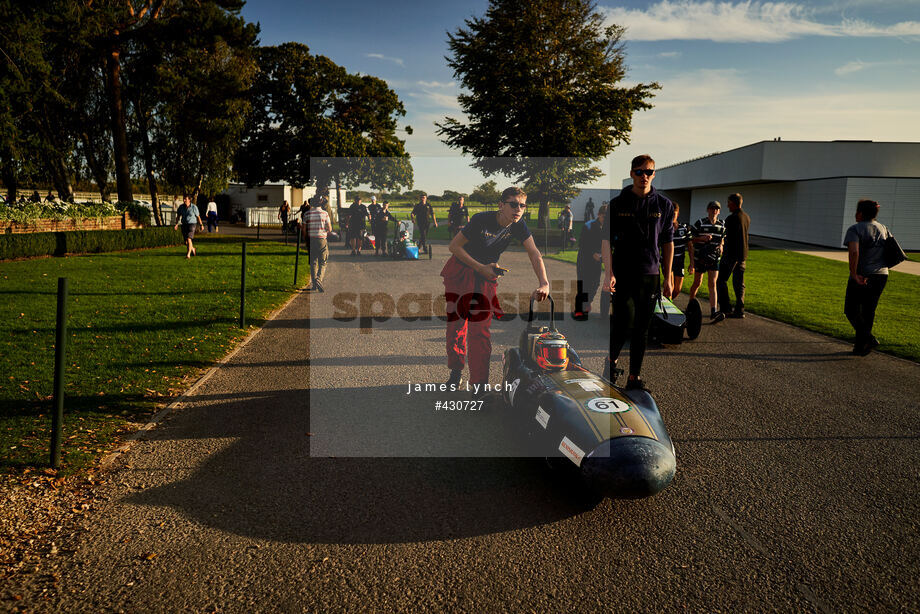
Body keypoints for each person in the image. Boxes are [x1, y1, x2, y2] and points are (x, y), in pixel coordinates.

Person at [442, 187, 549, 397]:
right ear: (501, 205)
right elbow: (454, 247)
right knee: (456, 326)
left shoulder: (519, 225)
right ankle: (456, 370)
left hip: (485, 275)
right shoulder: (482, 219)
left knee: (480, 330)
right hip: (461, 271)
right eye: (513, 204)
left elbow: (535, 254)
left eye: (522, 205)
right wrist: (478, 266)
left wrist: (544, 282)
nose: (518, 209)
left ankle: (479, 386)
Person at [601, 154, 674, 390]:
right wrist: (609, 272)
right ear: (632, 173)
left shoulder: (664, 205)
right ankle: (610, 365)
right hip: (623, 273)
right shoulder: (617, 203)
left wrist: (668, 276)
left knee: (643, 327)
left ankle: (634, 377)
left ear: (654, 174)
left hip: (650, 275)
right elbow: (605, 241)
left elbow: (667, 242)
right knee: (624, 323)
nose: (645, 176)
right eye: (640, 171)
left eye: (649, 172)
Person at [844, 199, 891, 356]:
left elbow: (854, 252)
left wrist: (854, 273)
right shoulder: (883, 228)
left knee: (851, 309)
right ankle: (862, 346)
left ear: (859, 213)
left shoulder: (855, 229)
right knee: (869, 310)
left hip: (862, 274)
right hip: (881, 275)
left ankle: (866, 340)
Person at [688, 201, 726, 323]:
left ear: (719, 211)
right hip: (701, 257)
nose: (714, 211)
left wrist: (721, 246)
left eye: (717, 209)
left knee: (712, 283)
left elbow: (723, 239)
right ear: (707, 210)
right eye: (712, 208)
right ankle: (690, 304)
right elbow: (690, 239)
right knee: (697, 283)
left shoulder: (722, 224)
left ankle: (713, 311)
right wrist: (701, 238)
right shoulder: (700, 223)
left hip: (714, 258)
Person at [717, 193, 750, 318]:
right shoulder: (746, 217)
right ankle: (739, 309)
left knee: (721, 281)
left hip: (731, 256)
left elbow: (727, 237)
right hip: (742, 255)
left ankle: (726, 308)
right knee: (739, 283)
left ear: (733, 203)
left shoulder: (731, 219)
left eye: (728, 202)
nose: (727, 205)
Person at [573, 205, 606, 319]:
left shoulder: (608, 228)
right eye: (604, 216)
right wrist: (593, 253)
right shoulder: (589, 225)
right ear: (599, 215)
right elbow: (582, 243)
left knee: (595, 283)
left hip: (597, 261)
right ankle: (579, 309)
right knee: (584, 284)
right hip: (584, 259)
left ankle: (588, 302)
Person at [305, 198, 333, 293]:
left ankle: (314, 283)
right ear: (320, 204)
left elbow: (304, 229)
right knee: (323, 261)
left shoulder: (307, 214)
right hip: (321, 239)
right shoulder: (325, 213)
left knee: (313, 262)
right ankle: (319, 280)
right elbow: (329, 228)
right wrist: (325, 230)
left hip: (311, 239)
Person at [669, 203, 692, 300]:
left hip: (680, 261)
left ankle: (666, 302)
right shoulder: (664, 228)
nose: (672, 216)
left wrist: (692, 263)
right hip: (668, 261)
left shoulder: (684, 228)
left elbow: (690, 246)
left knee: (677, 289)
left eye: (674, 214)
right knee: (670, 286)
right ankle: (667, 311)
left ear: (677, 214)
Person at [173, 194, 203, 259]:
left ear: (189, 200)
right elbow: (178, 216)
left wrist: (201, 225)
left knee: (189, 238)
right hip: (184, 224)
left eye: (185, 199)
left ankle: (188, 254)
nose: (184, 200)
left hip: (192, 224)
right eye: (184, 199)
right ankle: (192, 249)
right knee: (186, 242)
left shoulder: (194, 207)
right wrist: (176, 224)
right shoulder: (181, 207)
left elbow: (198, 216)